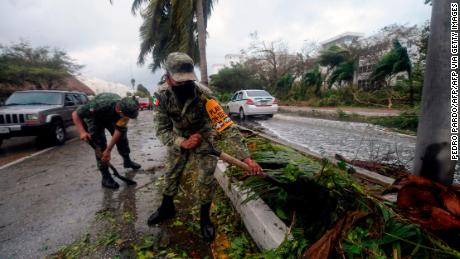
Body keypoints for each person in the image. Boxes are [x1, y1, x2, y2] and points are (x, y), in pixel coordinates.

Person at [147, 52, 263, 242]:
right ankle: (166, 208)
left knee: (205, 179)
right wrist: (182, 142)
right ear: (167, 77)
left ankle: (204, 219)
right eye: (179, 81)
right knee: (171, 174)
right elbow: (161, 129)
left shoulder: (205, 96)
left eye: (188, 80)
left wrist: (245, 157)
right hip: (178, 137)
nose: (184, 85)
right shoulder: (159, 96)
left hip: (203, 136)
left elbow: (225, 126)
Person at [72, 93, 142, 189]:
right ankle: (105, 177)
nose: (126, 118)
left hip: (111, 118)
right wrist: (82, 131)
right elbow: (75, 114)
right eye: (125, 116)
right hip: (95, 118)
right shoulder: (98, 105)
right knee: (100, 147)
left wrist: (109, 150)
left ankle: (127, 161)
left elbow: (118, 131)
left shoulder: (126, 111)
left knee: (122, 138)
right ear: (119, 110)